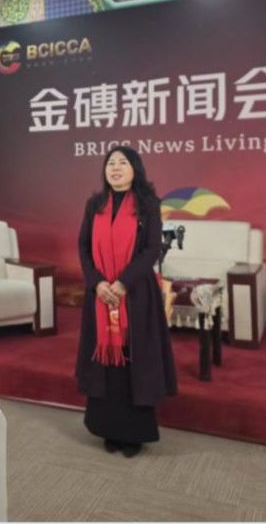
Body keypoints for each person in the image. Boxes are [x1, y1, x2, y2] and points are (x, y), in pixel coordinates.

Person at [75, 145, 177, 457]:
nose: (116, 168)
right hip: (100, 296)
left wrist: (122, 283)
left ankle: (134, 434)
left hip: (136, 295)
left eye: (123, 162)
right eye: (111, 163)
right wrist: (97, 283)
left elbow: (151, 250)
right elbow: (83, 246)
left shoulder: (148, 204)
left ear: (135, 169)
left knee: (134, 363)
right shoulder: (94, 205)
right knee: (105, 366)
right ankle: (109, 429)